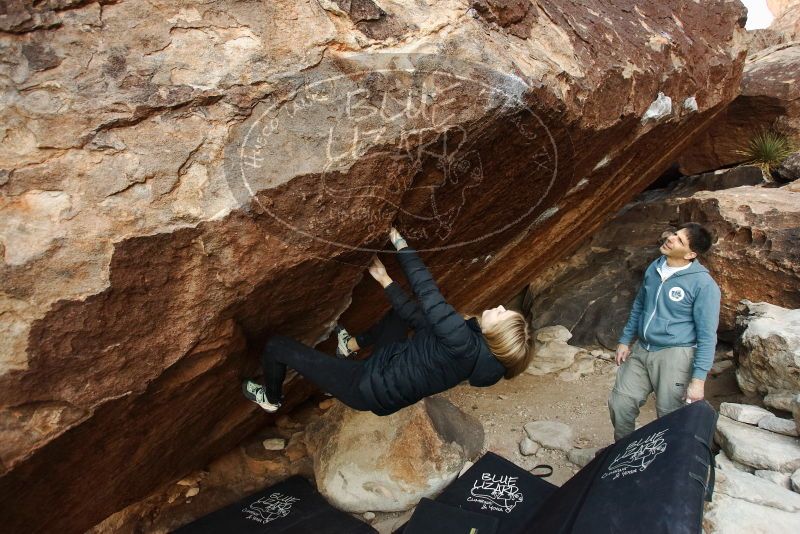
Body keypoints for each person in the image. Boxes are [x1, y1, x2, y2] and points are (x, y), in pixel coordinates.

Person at [242, 227, 533, 416]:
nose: (498, 306)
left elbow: (427, 290)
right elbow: (421, 320)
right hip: (391, 367)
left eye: (502, 314)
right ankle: (350, 345)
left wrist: (399, 242)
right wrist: (385, 280)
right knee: (401, 315)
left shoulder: (461, 340)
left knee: (276, 346)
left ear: (496, 335)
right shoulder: (477, 352)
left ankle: (271, 397)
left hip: (367, 387)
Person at [608, 222, 721, 441]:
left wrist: (698, 381)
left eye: (679, 240)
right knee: (620, 402)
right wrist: (625, 340)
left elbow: (708, 336)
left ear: (690, 254)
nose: (671, 239)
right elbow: (640, 305)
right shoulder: (655, 267)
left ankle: (664, 465)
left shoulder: (703, 285)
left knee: (669, 416)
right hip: (642, 348)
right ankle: (621, 454)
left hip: (675, 354)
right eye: (674, 234)